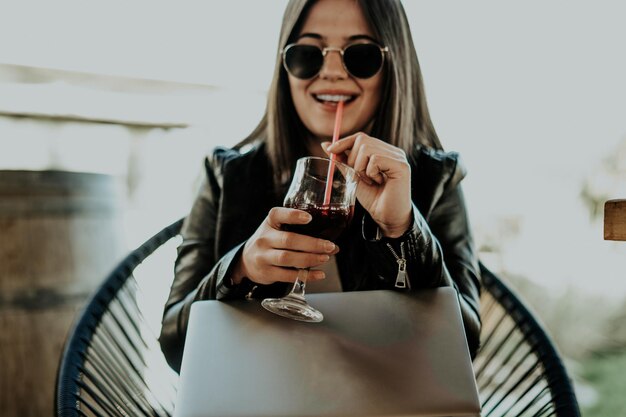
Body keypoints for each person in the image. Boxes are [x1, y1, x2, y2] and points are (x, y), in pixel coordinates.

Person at [159, 0, 481, 372]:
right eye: (308, 54)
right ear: (286, 67)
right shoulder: (226, 176)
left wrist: (403, 231)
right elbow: (174, 347)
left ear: (394, 66)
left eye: (360, 54)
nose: (330, 71)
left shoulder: (434, 178)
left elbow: (464, 347)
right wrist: (240, 269)